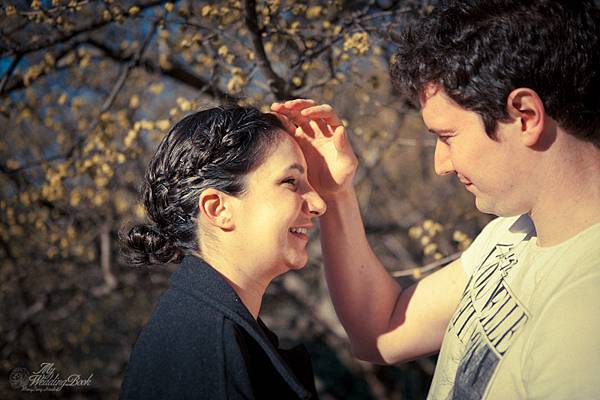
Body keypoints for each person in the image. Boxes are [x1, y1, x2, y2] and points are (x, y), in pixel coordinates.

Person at [271, 0, 600, 398]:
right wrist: (337, 193)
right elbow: (382, 330)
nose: (441, 165)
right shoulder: (512, 235)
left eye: (447, 136)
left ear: (525, 116)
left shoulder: (586, 312)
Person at [118, 106, 325, 399]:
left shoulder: (201, 328)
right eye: (290, 182)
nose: (318, 203)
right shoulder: (210, 354)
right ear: (218, 209)